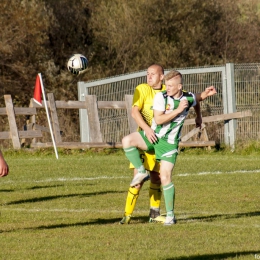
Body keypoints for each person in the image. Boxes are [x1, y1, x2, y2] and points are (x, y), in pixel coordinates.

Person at [122, 70, 217, 225]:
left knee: (165, 177)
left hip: (170, 144)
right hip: (154, 137)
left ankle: (170, 216)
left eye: (171, 85)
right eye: (166, 85)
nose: (167, 88)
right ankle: (140, 171)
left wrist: (199, 116)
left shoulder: (187, 97)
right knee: (127, 140)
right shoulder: (161, 97)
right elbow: (158, 120)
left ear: (180, 87)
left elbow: (196, 99)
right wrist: (178, 110)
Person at [119, 64, 166, 224]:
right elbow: (134, 111)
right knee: (138, 180)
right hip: (144, 140)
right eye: (147, 74)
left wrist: (203, 96)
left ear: (162, 76)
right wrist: (147, 129)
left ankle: (154, 214)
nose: (149, 76)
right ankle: (127, 215)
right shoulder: (142, 89)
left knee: (157, 177)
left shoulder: (168, 91)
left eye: (153, 74)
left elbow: (189, 98)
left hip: (160, 142)